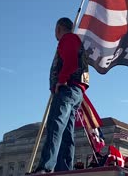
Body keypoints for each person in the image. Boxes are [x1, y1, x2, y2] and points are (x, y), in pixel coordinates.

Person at [33, 17, 89, 173]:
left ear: (58, 29)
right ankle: (63, 169)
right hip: (77, 92)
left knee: (55, 126)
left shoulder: (68, 39)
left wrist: (61, 81)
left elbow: (70, 62)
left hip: (66, 89)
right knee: (66, 133)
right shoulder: (76, 41)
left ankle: (46, 167)